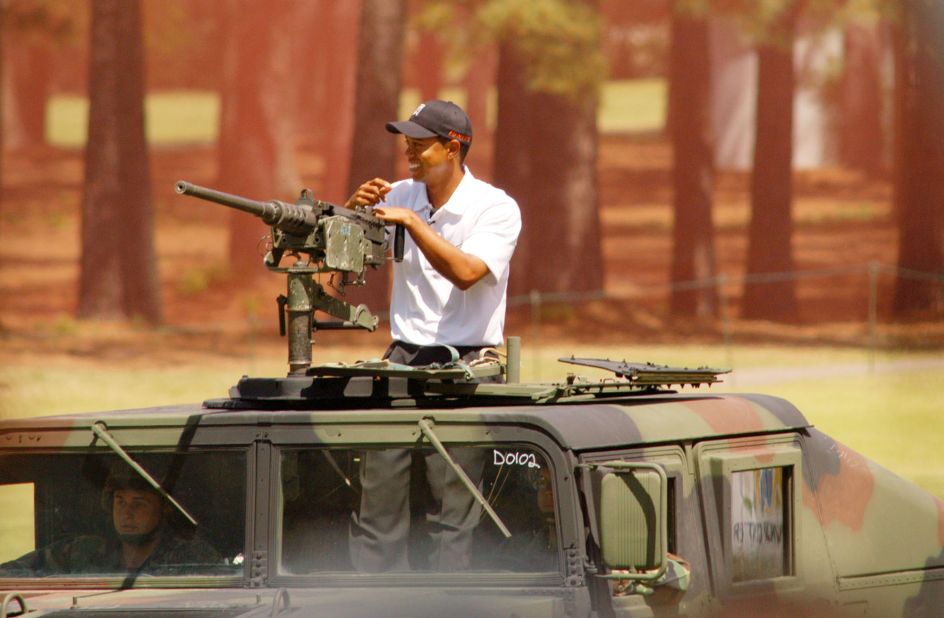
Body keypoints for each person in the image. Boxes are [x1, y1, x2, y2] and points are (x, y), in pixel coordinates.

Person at [346, 100, 522, 572]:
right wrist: (348, 218)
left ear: (453, 147)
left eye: (420, 145)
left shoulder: (496, 207)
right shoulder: (400, 194)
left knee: (451, 512)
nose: (409, 153)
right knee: (378, 504)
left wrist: (413, 224)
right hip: (403, 357)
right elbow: (334, 280)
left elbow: (467, 272)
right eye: (407, 144)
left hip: (469, 366)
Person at [0, 468, 220, 575]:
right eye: (120, 502)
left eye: (139, 503)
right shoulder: (83, 551)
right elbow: (12, 574)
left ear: (165, 510)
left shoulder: (193, 557)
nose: (127, 513)